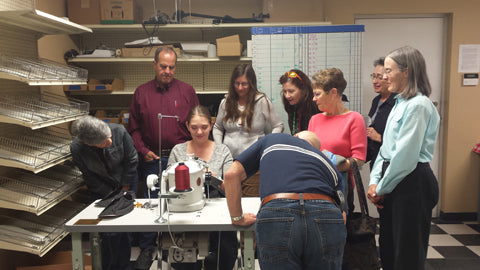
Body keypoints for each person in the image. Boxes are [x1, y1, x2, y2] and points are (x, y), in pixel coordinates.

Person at [224, 131, 346, 270]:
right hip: (326, 213)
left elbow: (231, 175)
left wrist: (237, 217)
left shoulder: (275, 139)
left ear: (295, 136)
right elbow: (342, 216)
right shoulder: (328, 164)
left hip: (279, 212)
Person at [367, 46, 440, 270]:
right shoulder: (400, 103)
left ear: (406, 72)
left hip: (411, 182)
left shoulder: (419, 105)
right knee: (389, 250)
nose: (384, 76)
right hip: (394, 180)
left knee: (407, 255)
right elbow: (386, 150)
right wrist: (374, 182)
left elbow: (405, 157)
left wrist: (381, 188)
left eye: (389, 71)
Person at [128, 46, 199, 269]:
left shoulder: (187, 91)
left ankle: (181, 250)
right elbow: (133, 128)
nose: (167, 71)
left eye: (171, 67)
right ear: (154, 65)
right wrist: (141, 150)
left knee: (184, 205)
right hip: (152, 159)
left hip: (182, 160)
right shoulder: (141, 92)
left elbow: (196, 125)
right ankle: (147, 250)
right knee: (153, 205)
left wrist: (192, 151)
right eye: (163, 66)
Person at [167, 105, 238, 270]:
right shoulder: (178, 151)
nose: (199, 132)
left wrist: (213, 177)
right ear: (187, 126)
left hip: (217, 212)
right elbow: (169, 185)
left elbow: (231, 189)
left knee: (225, 252)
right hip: (184, 211)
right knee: (182, 258)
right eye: (194, 127)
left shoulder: (223, 151)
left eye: (204, 127)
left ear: (212, 124)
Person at [70, 116, 138, 270]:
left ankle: (125, 265)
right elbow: (88, 175)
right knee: (107, 231)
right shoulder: (77, 148)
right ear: (88, 143)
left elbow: (132, 159)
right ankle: (109, 265)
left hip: (125, 179)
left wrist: (125, 188)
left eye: (109, 137)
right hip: (102, 187)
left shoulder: (119, 131)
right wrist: (108, 193)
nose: (110, 142)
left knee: (124, 227)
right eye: (104, 142)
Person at [213, 63, 283, 196]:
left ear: (251, 83)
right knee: (230, 200)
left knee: (251, 201)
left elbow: (278, 125)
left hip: (254, 164)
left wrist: (267, 146)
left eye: (244, 84)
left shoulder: (262, 101)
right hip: (229, 163)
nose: (240, 87)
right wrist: (219, 148)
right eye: (237, 83)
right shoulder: (226, 102)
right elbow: (217, 127)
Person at [307, 67, 367, 211]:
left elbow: (359, 159)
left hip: (340, 192)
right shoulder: (314, 120)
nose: (313, 99)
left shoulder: (354, 119)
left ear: (333, 93)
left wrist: (330, 165)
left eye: (317, 94)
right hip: (315, 187)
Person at [366, 57, 397, 170]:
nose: (374, 81)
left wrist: (379, 137)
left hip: (391, 164)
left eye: (379, 77)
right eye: (373, 76)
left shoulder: (397, 103)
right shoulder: (376, 101)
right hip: (375, 161)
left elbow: (403, 140)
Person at [279, 69, 320, 134]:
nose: (287, 96)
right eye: (285, 91)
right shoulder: (292, 106)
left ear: (303, 90)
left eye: (291, 91)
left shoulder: (317, 106)